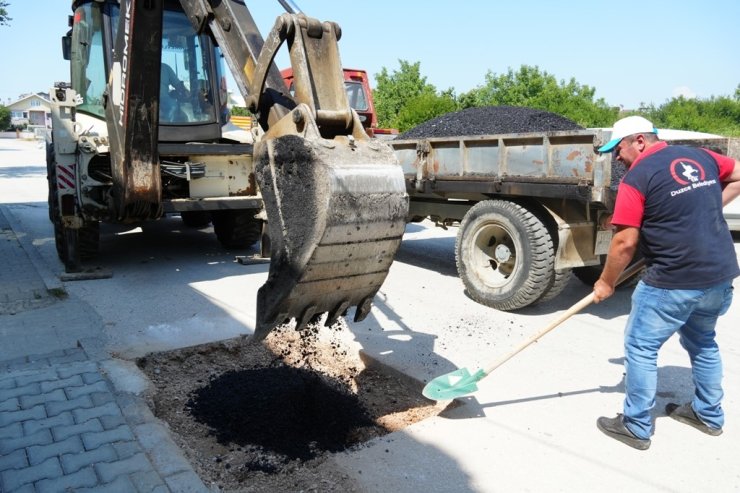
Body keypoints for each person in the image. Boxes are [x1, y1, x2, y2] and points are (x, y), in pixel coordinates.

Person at [592, 115, 740, 450]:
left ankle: (635, 426)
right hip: (719, 276)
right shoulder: (700, 156)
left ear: (640, 141)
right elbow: (739, 173)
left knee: (641, 347)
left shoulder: (638, 177)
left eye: (619, 148)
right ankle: (708, 414)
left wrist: (605, 282)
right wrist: (707, 206)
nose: (616, 156)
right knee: (703, 342)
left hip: (672, 281)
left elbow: (624, 243)